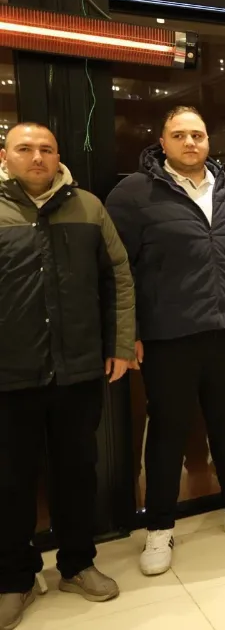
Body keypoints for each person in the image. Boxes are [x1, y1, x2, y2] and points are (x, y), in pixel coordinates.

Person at [105, 106, 225, 577]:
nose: (190, 142)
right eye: (179, 135)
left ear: (209, 141)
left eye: (197, 134)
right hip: (168, 334)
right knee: (168, 430)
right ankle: (159, 527)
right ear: (163, 142)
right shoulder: (133, 194)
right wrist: (129, 332)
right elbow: (117, 270)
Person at [0, 124, 134, 626]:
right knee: (10, 481)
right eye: (25, 149)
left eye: (46, 149)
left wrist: (120, 345)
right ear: (5, 156)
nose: (37, 157)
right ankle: (14, 577)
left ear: (59, 157)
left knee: (77, 473)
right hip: (9, 375)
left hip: (78, 369)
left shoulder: (89, 207)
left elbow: (118, 277)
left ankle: (77, 564)